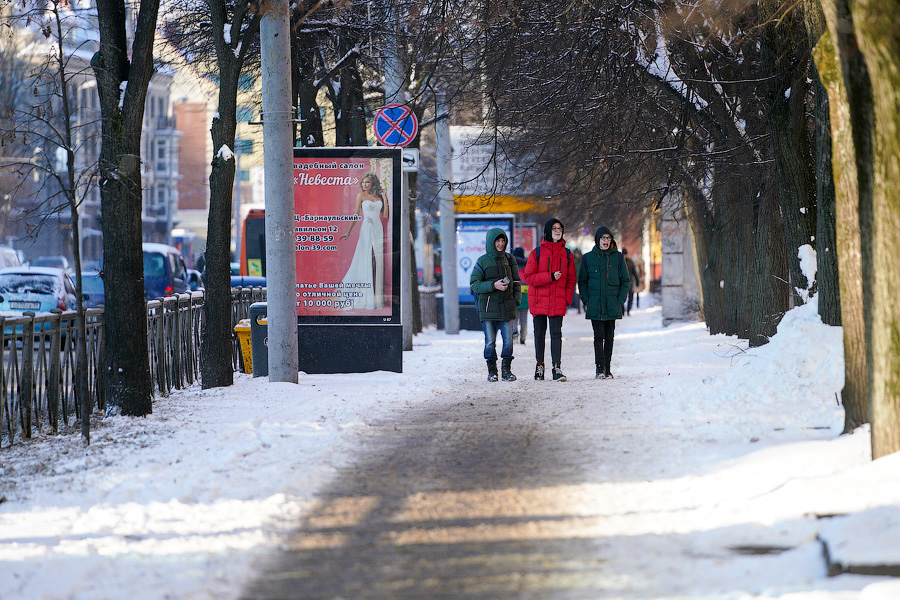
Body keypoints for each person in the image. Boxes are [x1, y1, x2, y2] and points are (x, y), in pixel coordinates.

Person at [523, 218, 576, 381]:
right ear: (547, 231)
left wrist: (567, 299)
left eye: (560, 228)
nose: (557, 231)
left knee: (556, 334)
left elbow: (571, 279)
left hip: (557, 300)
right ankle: (540, 366)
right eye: (554, 228)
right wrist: (550, 277)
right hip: (539, 300)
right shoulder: (536, 253)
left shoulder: (567, 254)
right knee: (539, 334)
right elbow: (529, 277)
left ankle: (556, 368)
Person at [578, 226, 630, 379]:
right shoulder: (588, 258)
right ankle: (599, 368)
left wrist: (620, 300)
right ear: (598, 240)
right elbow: (582, 282)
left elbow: (625, 281)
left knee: (609, 336)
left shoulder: (618, 258)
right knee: (598, 336)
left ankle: (607, 368)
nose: (606, 241)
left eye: (608, 238)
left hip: (612, 303)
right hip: (595, 304)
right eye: (603, 238)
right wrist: (586, 299)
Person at [470, 228, 521, 382]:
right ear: (491, 242)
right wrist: (493, 285)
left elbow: (517, 282)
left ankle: (506, 371)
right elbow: (474, 284)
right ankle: (492, 371)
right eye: (497, 241)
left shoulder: (509, 259)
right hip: (488, 309)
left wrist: (515, 301)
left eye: (502, 240)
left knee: (508, 341)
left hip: (507, 307)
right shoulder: (482, 261)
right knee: (490, 342)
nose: (500, 244)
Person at [339, 173, 388, 309]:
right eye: (363, 182)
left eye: (367, 182)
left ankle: (376, 298)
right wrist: (348, 232)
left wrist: (385, 199)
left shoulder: (378, 197)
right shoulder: (360, 196)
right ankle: (364, 296)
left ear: (373, 183)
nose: (365, 185)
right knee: (364, 259)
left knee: (378, 261)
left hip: (378, 228)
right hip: (366, 228)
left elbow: (384, 215)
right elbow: (356, 214)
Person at [512, 247, 529, 344]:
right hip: (525, 295)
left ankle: (515, 334)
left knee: (514, 316)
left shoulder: (512, 265)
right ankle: (523, 337)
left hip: (514, 294)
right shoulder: (527, 265)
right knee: (524, 318)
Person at [622, 248, 640, 316]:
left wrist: (637, 281)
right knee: (622, 298)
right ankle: (623, 311)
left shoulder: (629, 262)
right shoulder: (620, 262)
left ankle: (628, 310)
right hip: (623, 283)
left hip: (629, 283)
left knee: (630, 297)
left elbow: (634, 272)